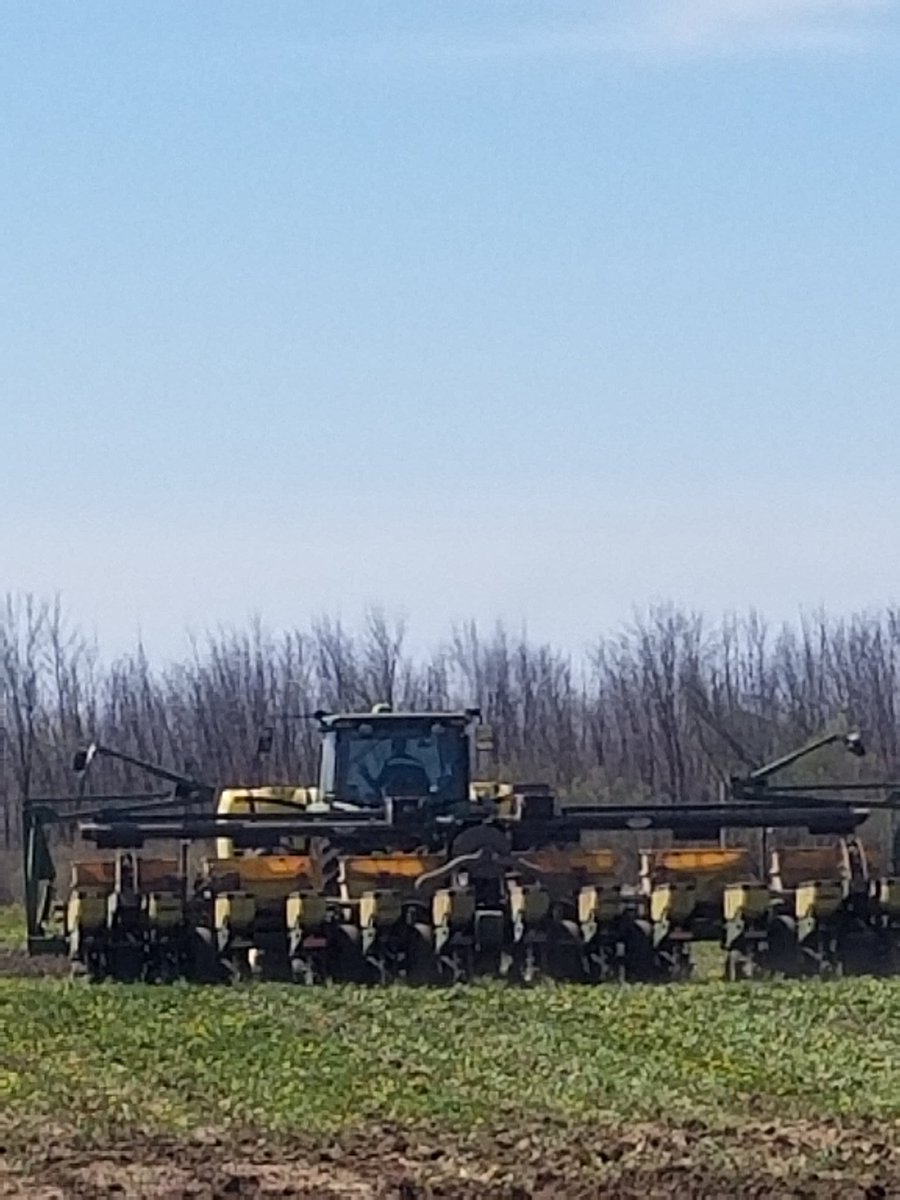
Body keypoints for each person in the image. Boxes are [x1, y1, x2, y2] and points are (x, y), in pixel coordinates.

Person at [362, 737, 431, 798]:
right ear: (405, 746)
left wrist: (365, 774)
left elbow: (378, 786)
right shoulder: (418, 765)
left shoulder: (390, 767)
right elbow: (427, 787)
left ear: (392, 748)